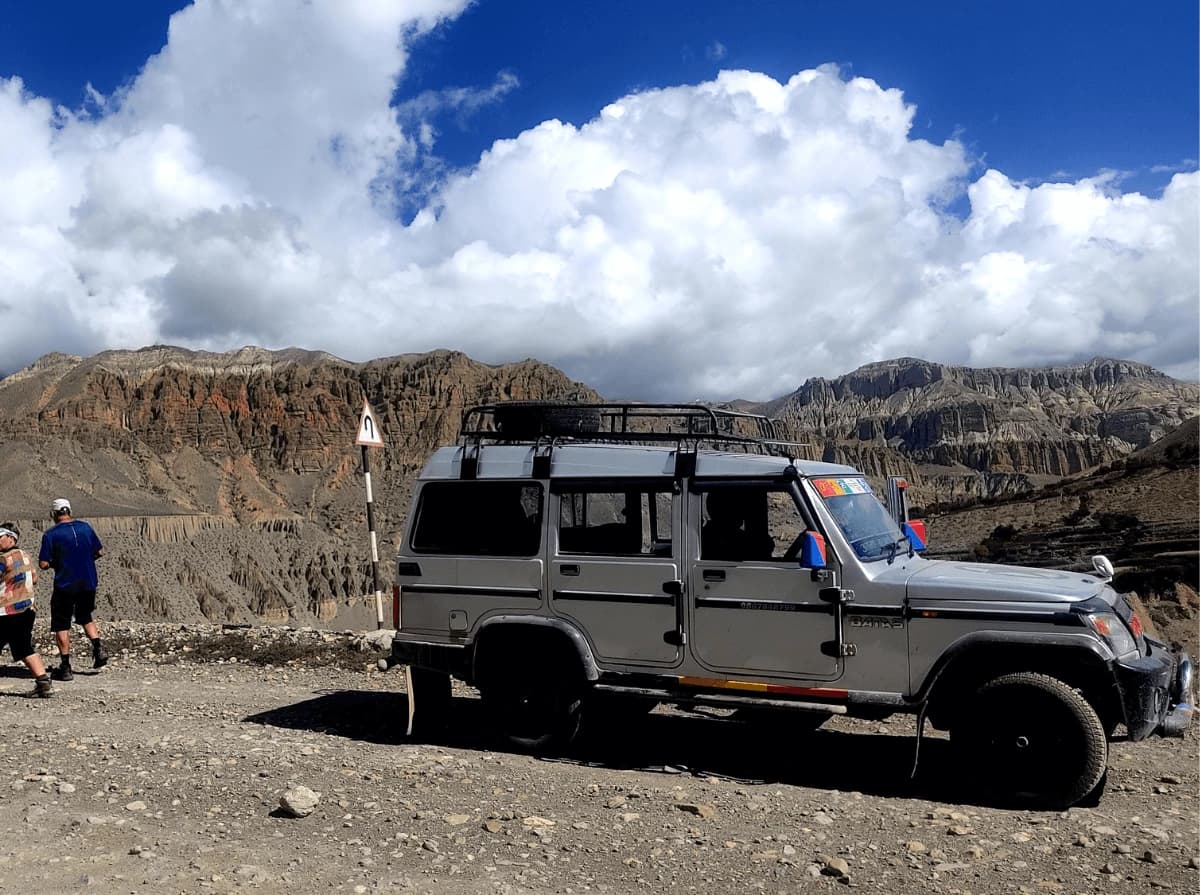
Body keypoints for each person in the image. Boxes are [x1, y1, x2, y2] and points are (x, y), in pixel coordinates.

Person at [38, 498, 107, 681]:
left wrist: (55, 563)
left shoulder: (51, 535)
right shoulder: (85, 527)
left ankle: (66, 666)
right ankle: (98, 649)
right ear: (69, 511)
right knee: (85, 616)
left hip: (65, 584)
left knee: (61, 623)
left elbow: (43, 563)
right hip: (88, 582)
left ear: (54, 514)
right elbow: (100, 552)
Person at [0, 526, 53, 697]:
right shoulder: (26, 555)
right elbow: (35, 578)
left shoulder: (3, 559)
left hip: (6, 610)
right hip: (27, 608)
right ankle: (43, 681)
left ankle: (43, 682)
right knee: (23, 647)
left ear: (11, 538)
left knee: (20, 646)